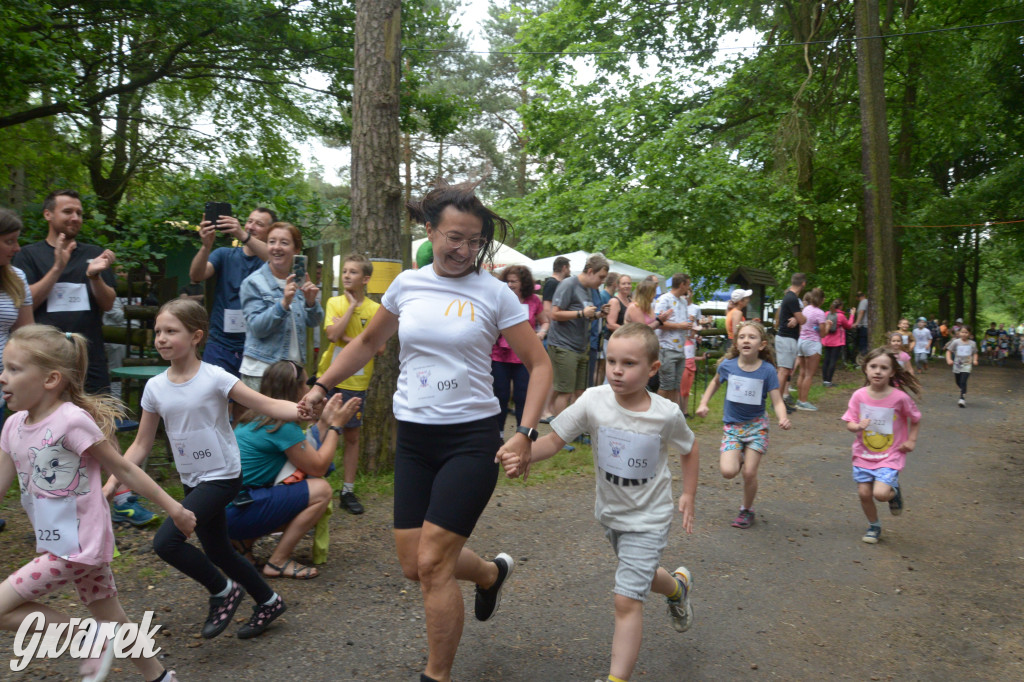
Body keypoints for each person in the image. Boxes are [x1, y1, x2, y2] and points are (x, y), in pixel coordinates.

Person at [299, 183, 552, 682]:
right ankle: (489, 573)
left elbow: (539, 364)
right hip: (413, 438)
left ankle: (435, 676)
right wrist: (320, 383)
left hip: (472, 438)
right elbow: (368, 342)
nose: (463, 250)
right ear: (430, 231)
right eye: (454, 237)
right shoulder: (407, 285)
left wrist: (523, 431)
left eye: (474, 241)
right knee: (414, 564)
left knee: (434, 565)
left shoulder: (495, 293)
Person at [496, 323, 699, 682]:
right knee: (639, 575)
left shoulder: (666, 414)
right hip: (611, 515)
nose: (617, 370)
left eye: (629, 364)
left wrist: (688, 493)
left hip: (651, 518)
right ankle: (677, 587)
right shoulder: (593, 400)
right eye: (612, 361)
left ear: (653, 369)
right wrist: (525, 454)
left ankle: (616, 678)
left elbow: (690, 446)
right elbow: (555, 439)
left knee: (626, 597)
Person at [105, 299, 311, 640]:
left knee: (167, 541)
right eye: (158, 331)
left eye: (172, 331)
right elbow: (141, 444)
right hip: (192, 479)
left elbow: (266, 404)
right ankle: (269, 601)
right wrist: (114, 481)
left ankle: (222, 590)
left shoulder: (215, 378)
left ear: (196, 336)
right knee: (217, 550)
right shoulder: (155, 388)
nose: (161, 338)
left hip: (224, 475)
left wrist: (300, 410)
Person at [0, 324, 193, 682]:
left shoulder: (72, 421)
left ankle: (88, 638)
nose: (2, 377)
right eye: (4, 367)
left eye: (14, 369)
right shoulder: (12, 426)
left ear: (50, 379)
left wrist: (175, 507)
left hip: (77, 546)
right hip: (59, 542)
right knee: (113, 619)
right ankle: (161, 678)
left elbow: (123, 469)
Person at [12, 190, 159, 528]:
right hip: (44, 361)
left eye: (79, 212)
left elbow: (108, 304)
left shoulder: (94, 254)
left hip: (89, 356)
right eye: (68, 212)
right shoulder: (29, 256)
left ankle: (120, 497)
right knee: (45, 429)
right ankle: (53, 502)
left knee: (103, 422)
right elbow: (26, 303)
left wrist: (94, 275)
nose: (75, 218)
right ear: (49, 215)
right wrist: (59, 267)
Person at [227, 361, 361, 579]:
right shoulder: (281, 425)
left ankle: (244, 544)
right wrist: (336, 426)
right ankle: (278, 562)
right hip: (236, 512)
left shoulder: (255, 417)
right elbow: (318, 466)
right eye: (306, 384)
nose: (309, 390)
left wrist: (324, 423)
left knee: (300, 491)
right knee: (321, 492)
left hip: (229, 508)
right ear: (295, 389)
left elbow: (304, 449)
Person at [695, 321, 791, 529]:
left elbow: (776, 400)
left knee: (749, 473)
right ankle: (738, 454)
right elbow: (714, 383)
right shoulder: (728, 366)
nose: (746, 340)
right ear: (736, 343)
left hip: (757, 427)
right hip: (733, 427)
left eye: (752, 337)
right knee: (728, 472)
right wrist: (703, 403)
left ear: (762, 345)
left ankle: (746, 509)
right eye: (742, 337)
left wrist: (782, 417)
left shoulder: (767, 371)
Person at [317, 253, 381, 515]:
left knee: (351, 436)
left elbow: (379, 348)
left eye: (353, 272)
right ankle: (315, 483)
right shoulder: (334, 302)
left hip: (357, 382)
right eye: (344, 271)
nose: (346, 276)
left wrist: (346, 337)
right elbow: (332, 335)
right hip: (329, 376)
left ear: (365, 279)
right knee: (321, 429)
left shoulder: (376, 310)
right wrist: (352, 310)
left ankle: (347, 490)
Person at [842, 346, 922, 544]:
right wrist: (857, 426)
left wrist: (911, 440)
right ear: (866, 369)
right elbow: (849, 422)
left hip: (890, 454)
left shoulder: (900, 398)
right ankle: (874, 526)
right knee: (864, 493)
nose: (878, 371)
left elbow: (916, 418)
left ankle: (893, 493)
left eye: (884, 368)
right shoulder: (859, 395)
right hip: (863, 454)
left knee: (880, 494)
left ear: (892, 372)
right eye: (873, 366)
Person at [188, 206, 272, 378]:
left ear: (270, 232)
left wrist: (242, 235)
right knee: (214, 398)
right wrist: (206, 246)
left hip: (257, 347)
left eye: (259, 224)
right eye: (249, 221)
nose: (251, 226)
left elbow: (275, 260)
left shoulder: (271, 262)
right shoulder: (224, 254)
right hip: (220, 343)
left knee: (247, 403)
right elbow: (196, 275)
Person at [239, 222, 322, 391]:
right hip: (262, 372)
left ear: (296, 250)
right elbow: (257, 328)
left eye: (284, 243)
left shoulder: (298, 281)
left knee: (292, 418)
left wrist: (311, 302)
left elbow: (314, 322)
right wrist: (283, 304)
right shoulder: (254, 283)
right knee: (264, 419)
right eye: (272, 242)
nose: (276, 247)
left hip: (293, 373)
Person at [546, 253, 610, 419]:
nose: (602, 281)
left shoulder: (588, 289)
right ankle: (559, 431)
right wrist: (581, 313)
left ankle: (574, 429)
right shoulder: (569, 284)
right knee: (565, 392)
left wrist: (598, 315)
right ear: (590, 271)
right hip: (563, 345)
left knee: (580, 391)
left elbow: (585, 315)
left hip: (581, 347)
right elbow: (554, 314)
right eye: (600, 277)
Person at [491, 265, 548, 434]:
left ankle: (521, 435)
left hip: (523, 356)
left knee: (522, 396)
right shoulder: (499, 298)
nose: (509, 284)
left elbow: (545, 321)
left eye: (513, 281)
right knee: (500, 395)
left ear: (523, 283)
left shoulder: (533, 300)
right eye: (507, 281)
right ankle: (499, 434)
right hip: (500, 355)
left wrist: (542, 333)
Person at [653, 274, 694, 410]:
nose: (689, 288)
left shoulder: (683, 302)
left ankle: (670, 414)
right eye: (688, 284)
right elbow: (657, 323)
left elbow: (682, 322)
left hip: (680, 349)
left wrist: (688, 324)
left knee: (676, 386)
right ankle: (656, 414)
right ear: (682, 284)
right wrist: (680, 326)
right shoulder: (664, 299)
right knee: (666, 385)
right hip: (666, 347)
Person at [625, 279, 671, 393]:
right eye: (653, 291)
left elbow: (650, 324)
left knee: (652, 381)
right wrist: (659, 321)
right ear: (647, 293)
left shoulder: (649, 307)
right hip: (633, 348)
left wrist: (660, 318)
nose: (655, 294)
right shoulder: (634, 307)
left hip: (646, 347)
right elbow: (643, 329)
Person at [795, 287, 830, 411]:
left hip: (801, 341)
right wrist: (828, 326)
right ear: (821, 299)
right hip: (812, 344)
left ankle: (799, 400)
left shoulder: (805, 309)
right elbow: (822, 334)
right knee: (809, 375)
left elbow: (801, 326)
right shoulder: (820, 313)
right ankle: (804, 401)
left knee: (802, 372)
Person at [774, 273, 806, 411]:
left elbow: (793, 317)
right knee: (783, 371)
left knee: (785, 371)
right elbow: (803, 320)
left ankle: (780, 401)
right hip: (786, 338)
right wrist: (798, 318)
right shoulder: (792, 298)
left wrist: (795, 318)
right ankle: (777, 403)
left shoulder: (790, 297)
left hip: (789, 338)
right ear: (803, 284)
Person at [821, 298, 853, 387]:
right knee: (833, 361)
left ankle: (824, 380)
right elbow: (849, 326)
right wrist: (852, 315)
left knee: (826, 360)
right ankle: (829, 381)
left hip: (827, 340)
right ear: (840, 306)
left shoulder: (826, 314)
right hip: (837, 342)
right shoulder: (841, 316)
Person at [945, 325, 978, 408]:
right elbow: (949, 351)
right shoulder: (956, 342)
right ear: (959, 333)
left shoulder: (972, 343)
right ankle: (963, 390)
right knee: (958, 381)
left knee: (963, 381)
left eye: (966, 332)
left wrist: (975, 360)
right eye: (962, 332)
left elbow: (975, 353)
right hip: (957, 365)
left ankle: (962, 398)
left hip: (967, 365)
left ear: (969, 334)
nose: (964, 334)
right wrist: (949, 360)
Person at [853, 290, 869, 357]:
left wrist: (857, 323)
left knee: (863, 344)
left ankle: (863, 359)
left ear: (857, 298)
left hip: (864, 326)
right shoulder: (867, 301)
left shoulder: (863, 302)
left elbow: (861, 312)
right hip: (867, 326)